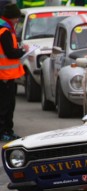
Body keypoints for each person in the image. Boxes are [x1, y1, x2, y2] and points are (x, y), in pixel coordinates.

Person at [0, 3, 28, 141]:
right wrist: (24, 51)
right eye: (16, 18)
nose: (17, 20)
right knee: (6, 106)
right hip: (4, 77)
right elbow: (10, 53)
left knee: (8, 105)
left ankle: (7, 131)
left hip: (7, 76)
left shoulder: (5, 29)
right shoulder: (4, 31)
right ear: (11, 17)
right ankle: (4, 132)